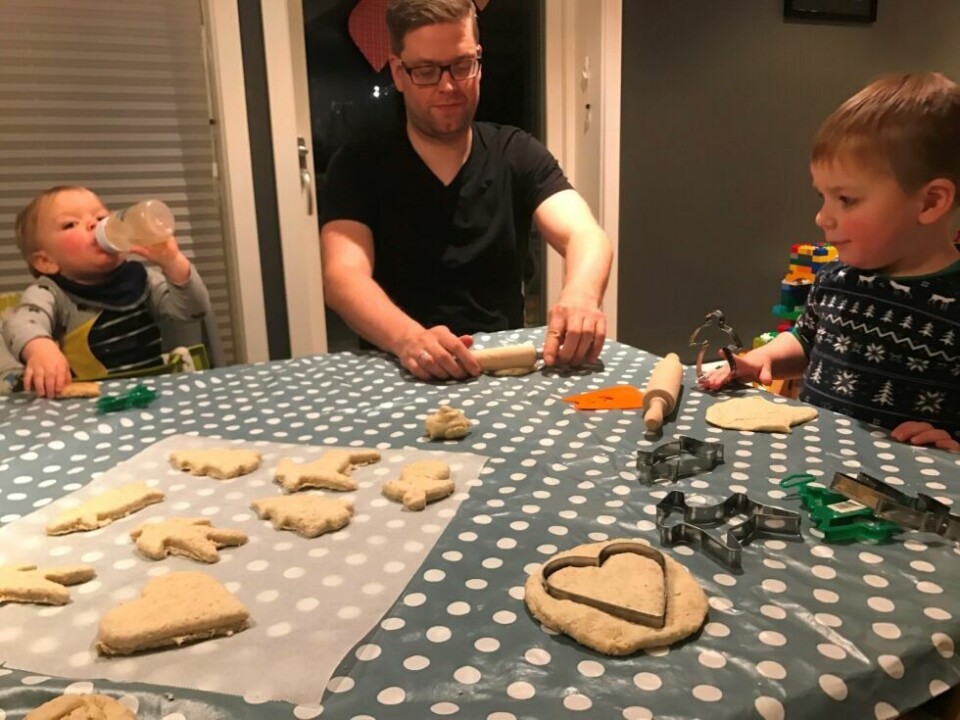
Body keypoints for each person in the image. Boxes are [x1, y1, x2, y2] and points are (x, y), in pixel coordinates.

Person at [319, 0, 613, 381]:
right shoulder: (357, 165)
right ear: (398, 72)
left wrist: (581, 296)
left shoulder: (517, 152)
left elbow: (586, 235)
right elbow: (343, 276)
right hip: (398, 368)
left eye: (461, 66)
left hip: (504, 371)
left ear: (478, 60)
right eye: (425, 70)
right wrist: (410, 339)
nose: (447, 86)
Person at [703, 72, 960, 452]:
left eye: (846, 199)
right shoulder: (838, 275)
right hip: (814, 471)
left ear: (929, 202)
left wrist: (953, 449)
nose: (823, 218)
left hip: (907, 501)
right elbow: (807, 339)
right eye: (822, 197)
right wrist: (760, 360)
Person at [3, 185, 210, 398]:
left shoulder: (141, 279)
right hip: (89, 405)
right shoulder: (50, 293)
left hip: (149, 394)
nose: (94, 223)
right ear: (46, 261)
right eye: (70, 224)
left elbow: (193, 311)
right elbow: (20, 323)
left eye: (101, 216)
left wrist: (173, 263)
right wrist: (40, 349)